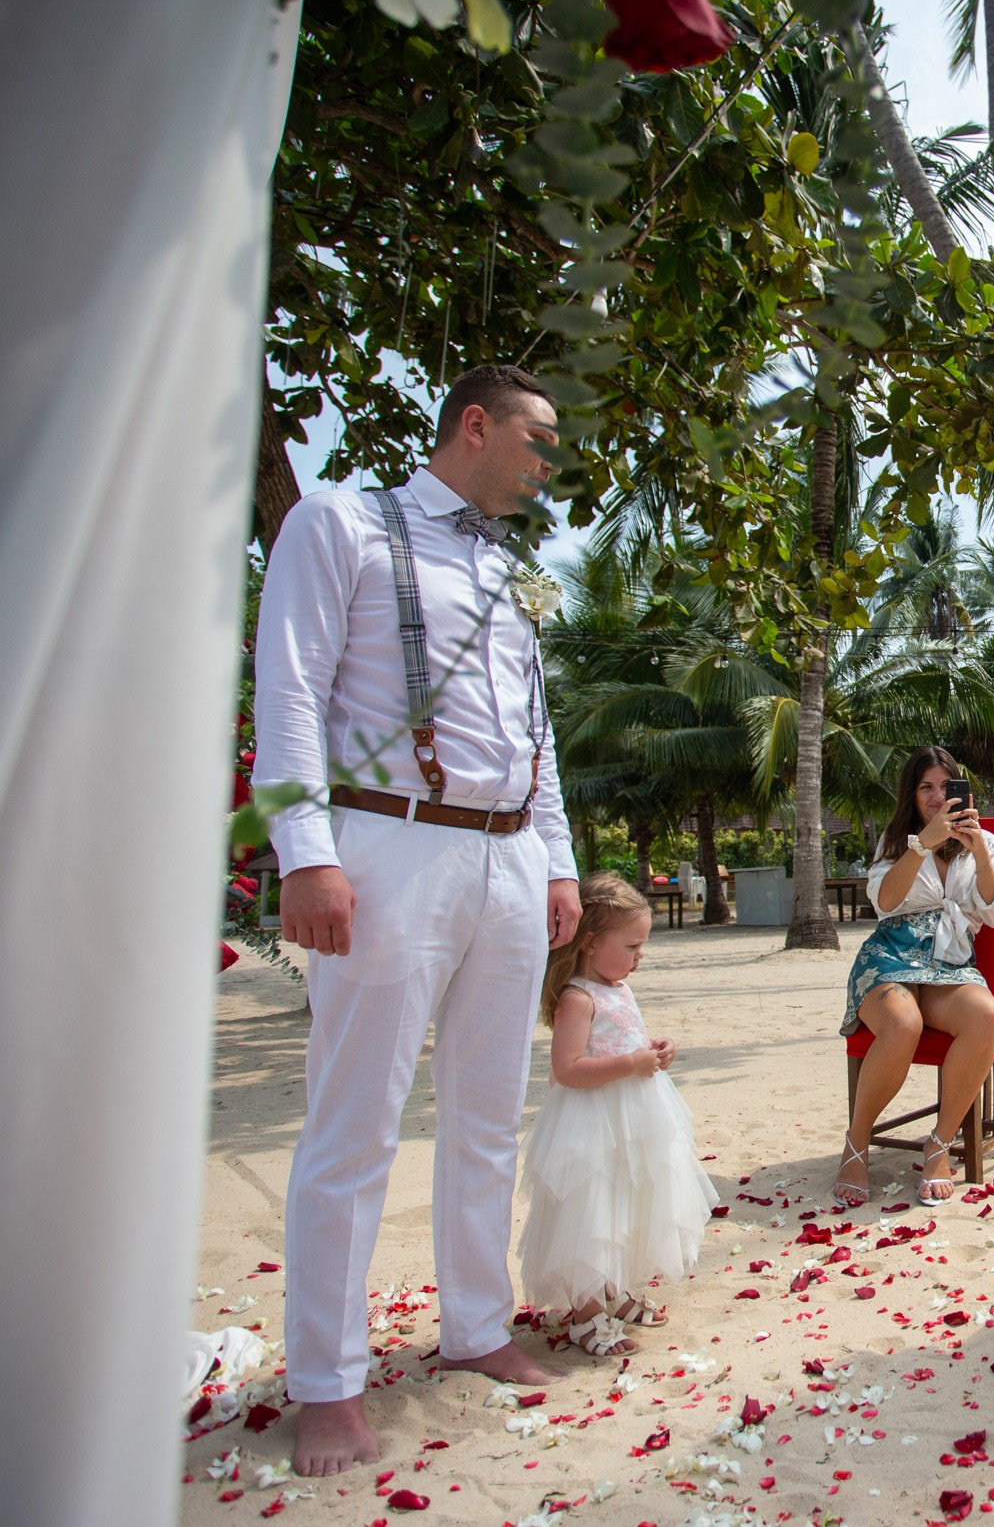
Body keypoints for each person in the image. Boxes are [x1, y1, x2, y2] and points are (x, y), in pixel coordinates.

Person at [252, 365, 584, 1475]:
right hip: (386, 843)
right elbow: (290, 690)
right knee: (355, 1125)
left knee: (487, 1115)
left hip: (507, 855)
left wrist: (557, 860)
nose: (548, 465)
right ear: (475, 425)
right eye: (538, 440)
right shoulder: (341, 522)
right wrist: (306, 853)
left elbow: (535, 730)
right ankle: (327, 1383)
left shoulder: (509, 568)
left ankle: (476, 1328)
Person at [518, 874, 717, 1357]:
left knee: (629, 1204)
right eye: (631, 945)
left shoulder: (618, 989)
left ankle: (615, 1290)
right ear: (589, 942)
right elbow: (567, 1069)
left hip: (635, 1117)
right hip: (591, 1122)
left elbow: (624, 1040)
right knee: (594, 1210)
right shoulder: (578, 998)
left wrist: (653, 1050)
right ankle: (586, 1312)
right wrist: (630, 1063)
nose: (639, 955)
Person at [834, 747, 994, 1207]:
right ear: (911, 794)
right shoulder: (896, 841)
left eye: (945, 786)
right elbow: (886, 902)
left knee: (984, 1015)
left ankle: (939, 1143)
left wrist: (980, 853)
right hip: (890, 956)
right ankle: (856, 1144)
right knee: (903, 1024)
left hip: (949, 962)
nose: (936, 797)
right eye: (925, 787)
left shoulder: (984, 842)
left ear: (961, 790)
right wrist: (923, 843)